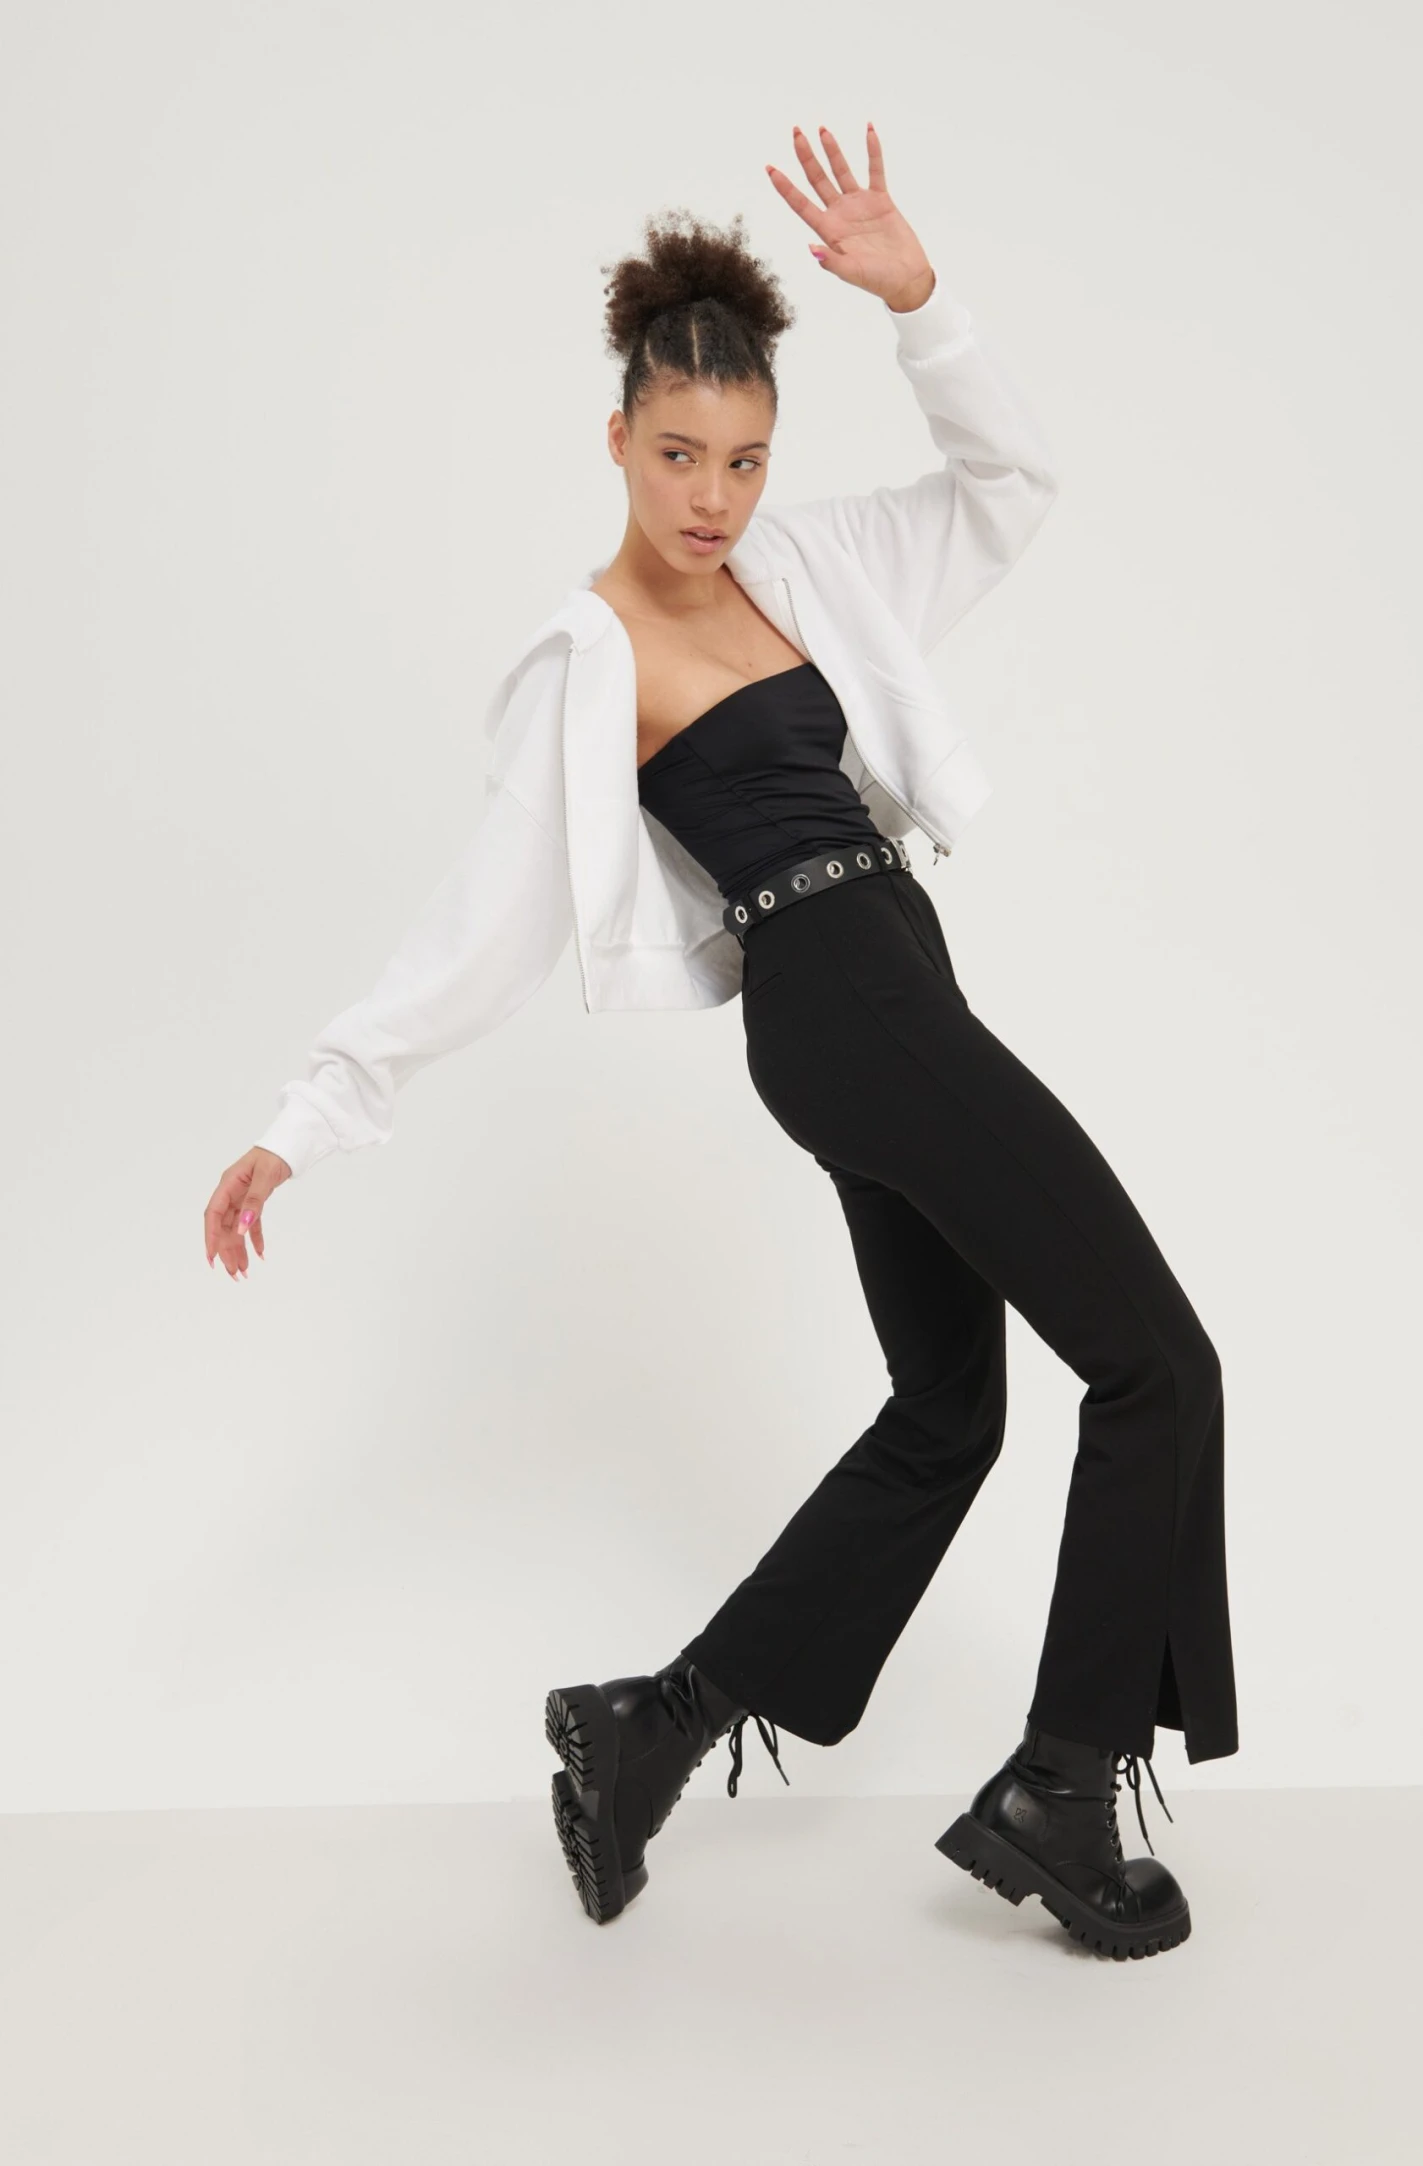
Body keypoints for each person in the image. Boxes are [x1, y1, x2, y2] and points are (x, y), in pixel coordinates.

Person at [205, 123, 1237, 1962]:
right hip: (838, 999)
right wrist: (317, 1107)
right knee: (1158, 1362)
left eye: (746, 458)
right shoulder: (591, 656)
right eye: (680, 454)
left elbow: (1011, 484)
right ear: (616, 436)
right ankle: (1063, 1784)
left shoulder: (813, 570)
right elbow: (488, 916)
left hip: (892, 984)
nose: (713, 496)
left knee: (949, 1413)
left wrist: (923, 303)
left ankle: (653, 1725)